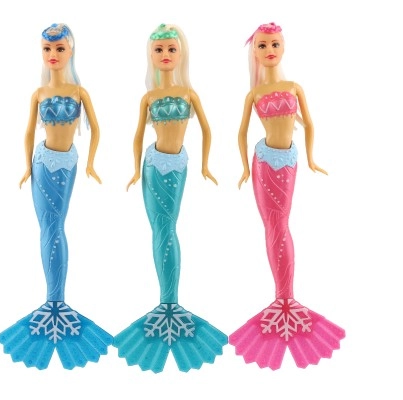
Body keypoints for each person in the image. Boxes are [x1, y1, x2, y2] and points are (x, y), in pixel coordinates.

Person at [229, 22, 345, 370]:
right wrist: (245, 168)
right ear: (254, 52)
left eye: (274, 44)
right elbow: (241, 132)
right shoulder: (253, 94)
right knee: (275, 226)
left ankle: (286, 297)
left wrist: (311, 158)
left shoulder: (295, 87)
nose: (269, 51)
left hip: (289, 161)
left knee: (282, 225)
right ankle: (283, 298)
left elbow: (309, 124)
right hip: (265, 162)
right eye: (262, 46)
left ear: (283, 47)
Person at [113, 23, 227, 373]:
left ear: (181, 54)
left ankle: (170, 302)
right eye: (159, 50)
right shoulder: (147, 98)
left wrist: (205, 165)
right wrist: (135, 170)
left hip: (177, 166)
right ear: (150, 56)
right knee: (161, 229)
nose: (165, 55)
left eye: (171, 49)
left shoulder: (189, 94)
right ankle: (167, 301)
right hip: (152, 166)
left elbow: (207, 129)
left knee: (169, 228)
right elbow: (137, 135)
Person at [0, 23, 113, 370]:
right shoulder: (38, 93)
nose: (53, 54)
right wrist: (25, 167)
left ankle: (56, 301)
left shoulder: (79, 91)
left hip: (68, 164)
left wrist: (90, 163)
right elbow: (28, 132)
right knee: (49, 228)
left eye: (60, 48)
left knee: (56, 226)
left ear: (71, 51)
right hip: (43, 163)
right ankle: (54, 301)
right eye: (47, 49)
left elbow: (96, 128)